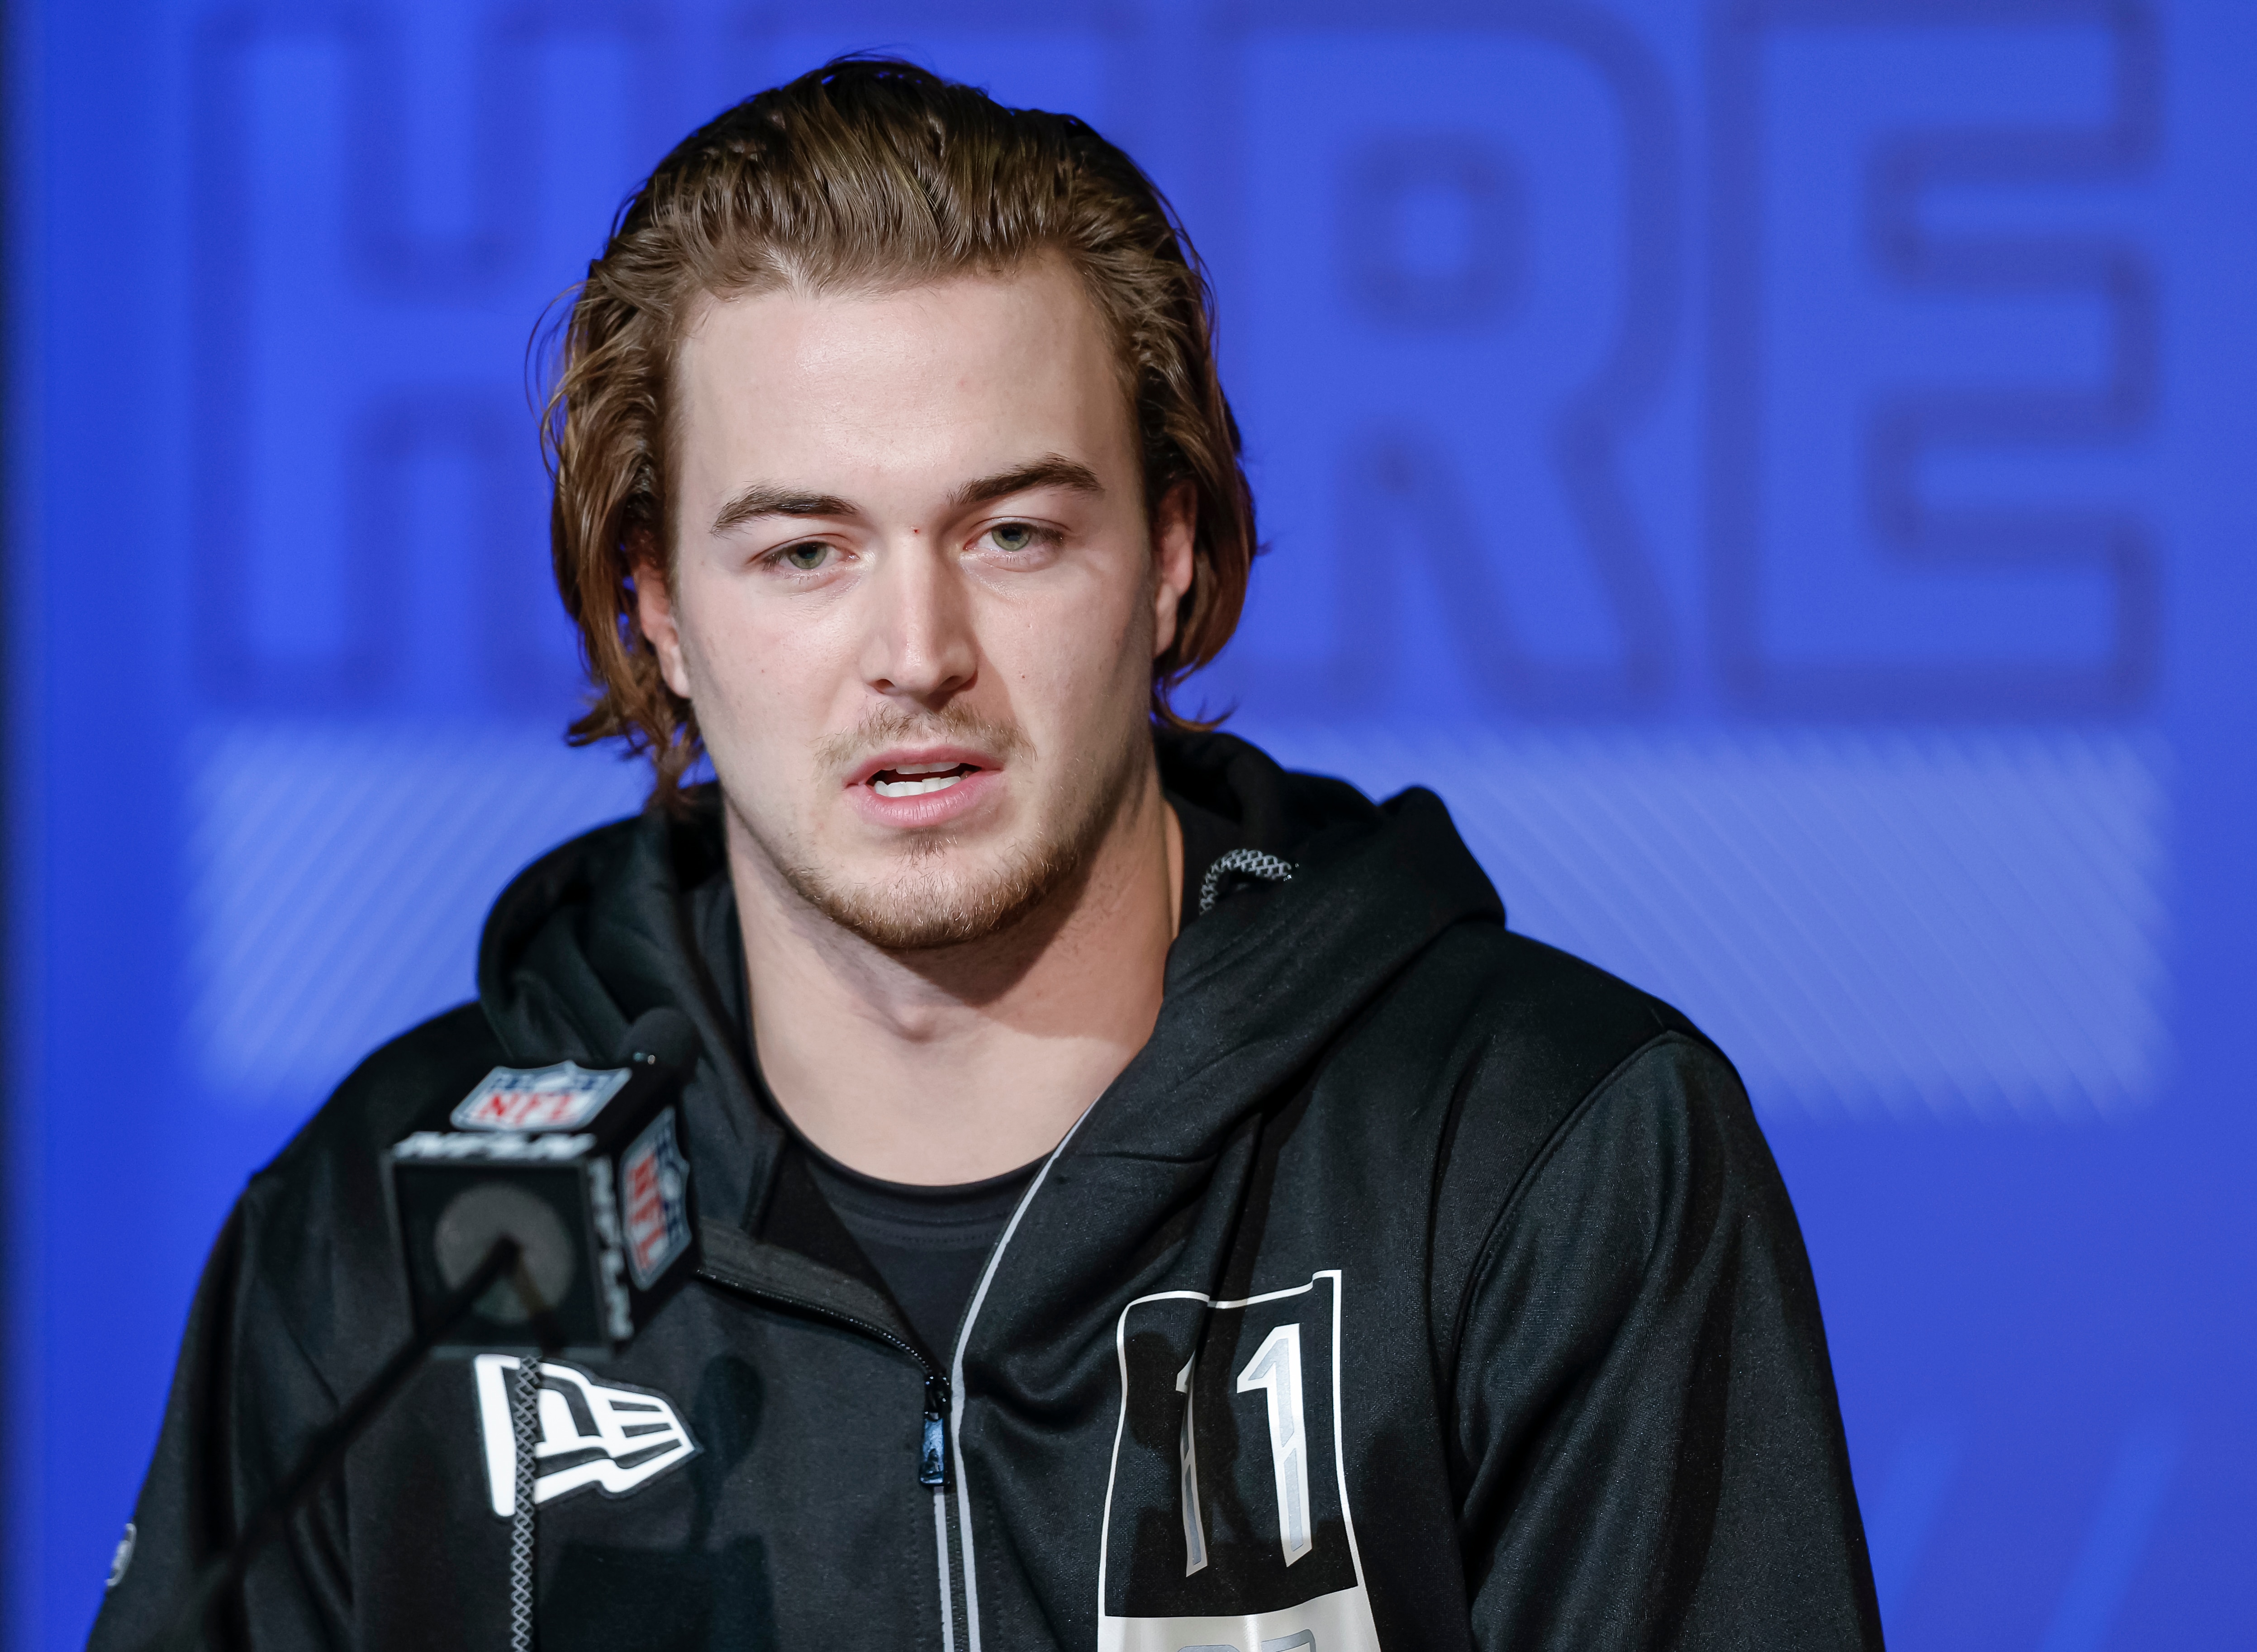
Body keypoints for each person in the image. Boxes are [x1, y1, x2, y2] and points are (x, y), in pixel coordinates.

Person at [90, 56, 1882, 1652]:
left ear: (1173, 551)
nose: (917, 650)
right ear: (657, 606)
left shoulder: (1539, 1158)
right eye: (805, 550)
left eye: (1015, 530)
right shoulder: (378, 1239)